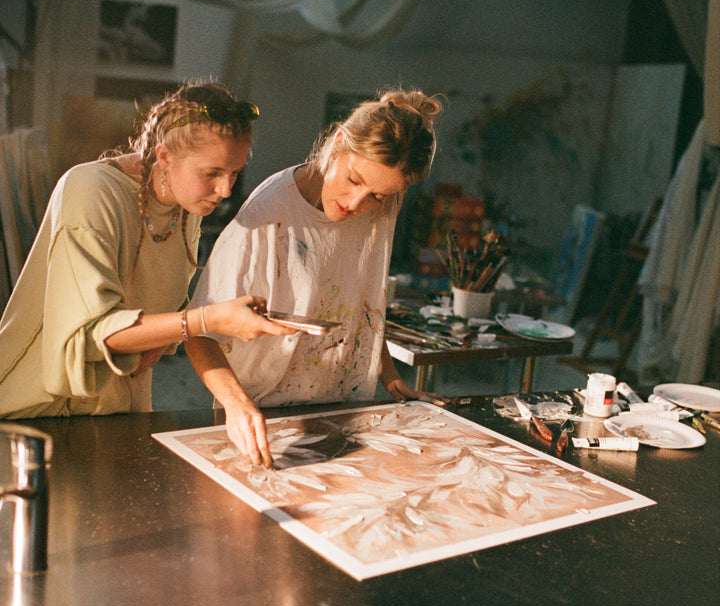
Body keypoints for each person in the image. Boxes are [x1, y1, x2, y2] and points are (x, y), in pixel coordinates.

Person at [0, 80, 292, 418]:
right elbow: (94, 333)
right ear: (165, 156)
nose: (225, 190)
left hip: (115, 408)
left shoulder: (187, 208)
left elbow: (163, 316)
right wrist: (207, 319)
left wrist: (160, 337)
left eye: (234, 173)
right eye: (211, 173)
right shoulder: (91, 191)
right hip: (38, 410)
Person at [186, 87, 443, 468]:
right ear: (337, 142)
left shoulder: (381, 208)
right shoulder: (266, 216)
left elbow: (361, 306)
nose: (356, 203)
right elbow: (200, 333)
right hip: (264, 419)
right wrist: (236, 405)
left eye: (377, 195)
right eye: (354, 180)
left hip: (347, 412)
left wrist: (390, 377)